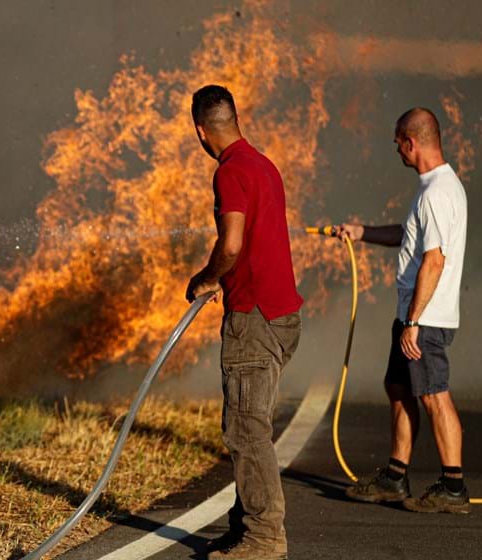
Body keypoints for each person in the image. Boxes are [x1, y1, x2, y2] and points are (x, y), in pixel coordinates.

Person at [186, 84, 303, 560]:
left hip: (254, 318)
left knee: (245, 430)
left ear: (200, 130)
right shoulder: (263, 164)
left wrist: (207, 277)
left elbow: (231, 245)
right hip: (282, 314)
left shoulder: (231, 172)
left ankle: (263, 538)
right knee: (250, 423)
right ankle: (243, 527)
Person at [336, 107, 470, 514]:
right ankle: (395, 478)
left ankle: (454, 487)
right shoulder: (434, 188)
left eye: (398, 144)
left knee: (433, 394)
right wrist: (363, 233)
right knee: (398, 388)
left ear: (412, 143)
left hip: (425, 319)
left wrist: (412, 323)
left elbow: (434, 260)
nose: (397, 151)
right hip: (414, 316)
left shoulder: (437, 193)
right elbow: (409, 238)